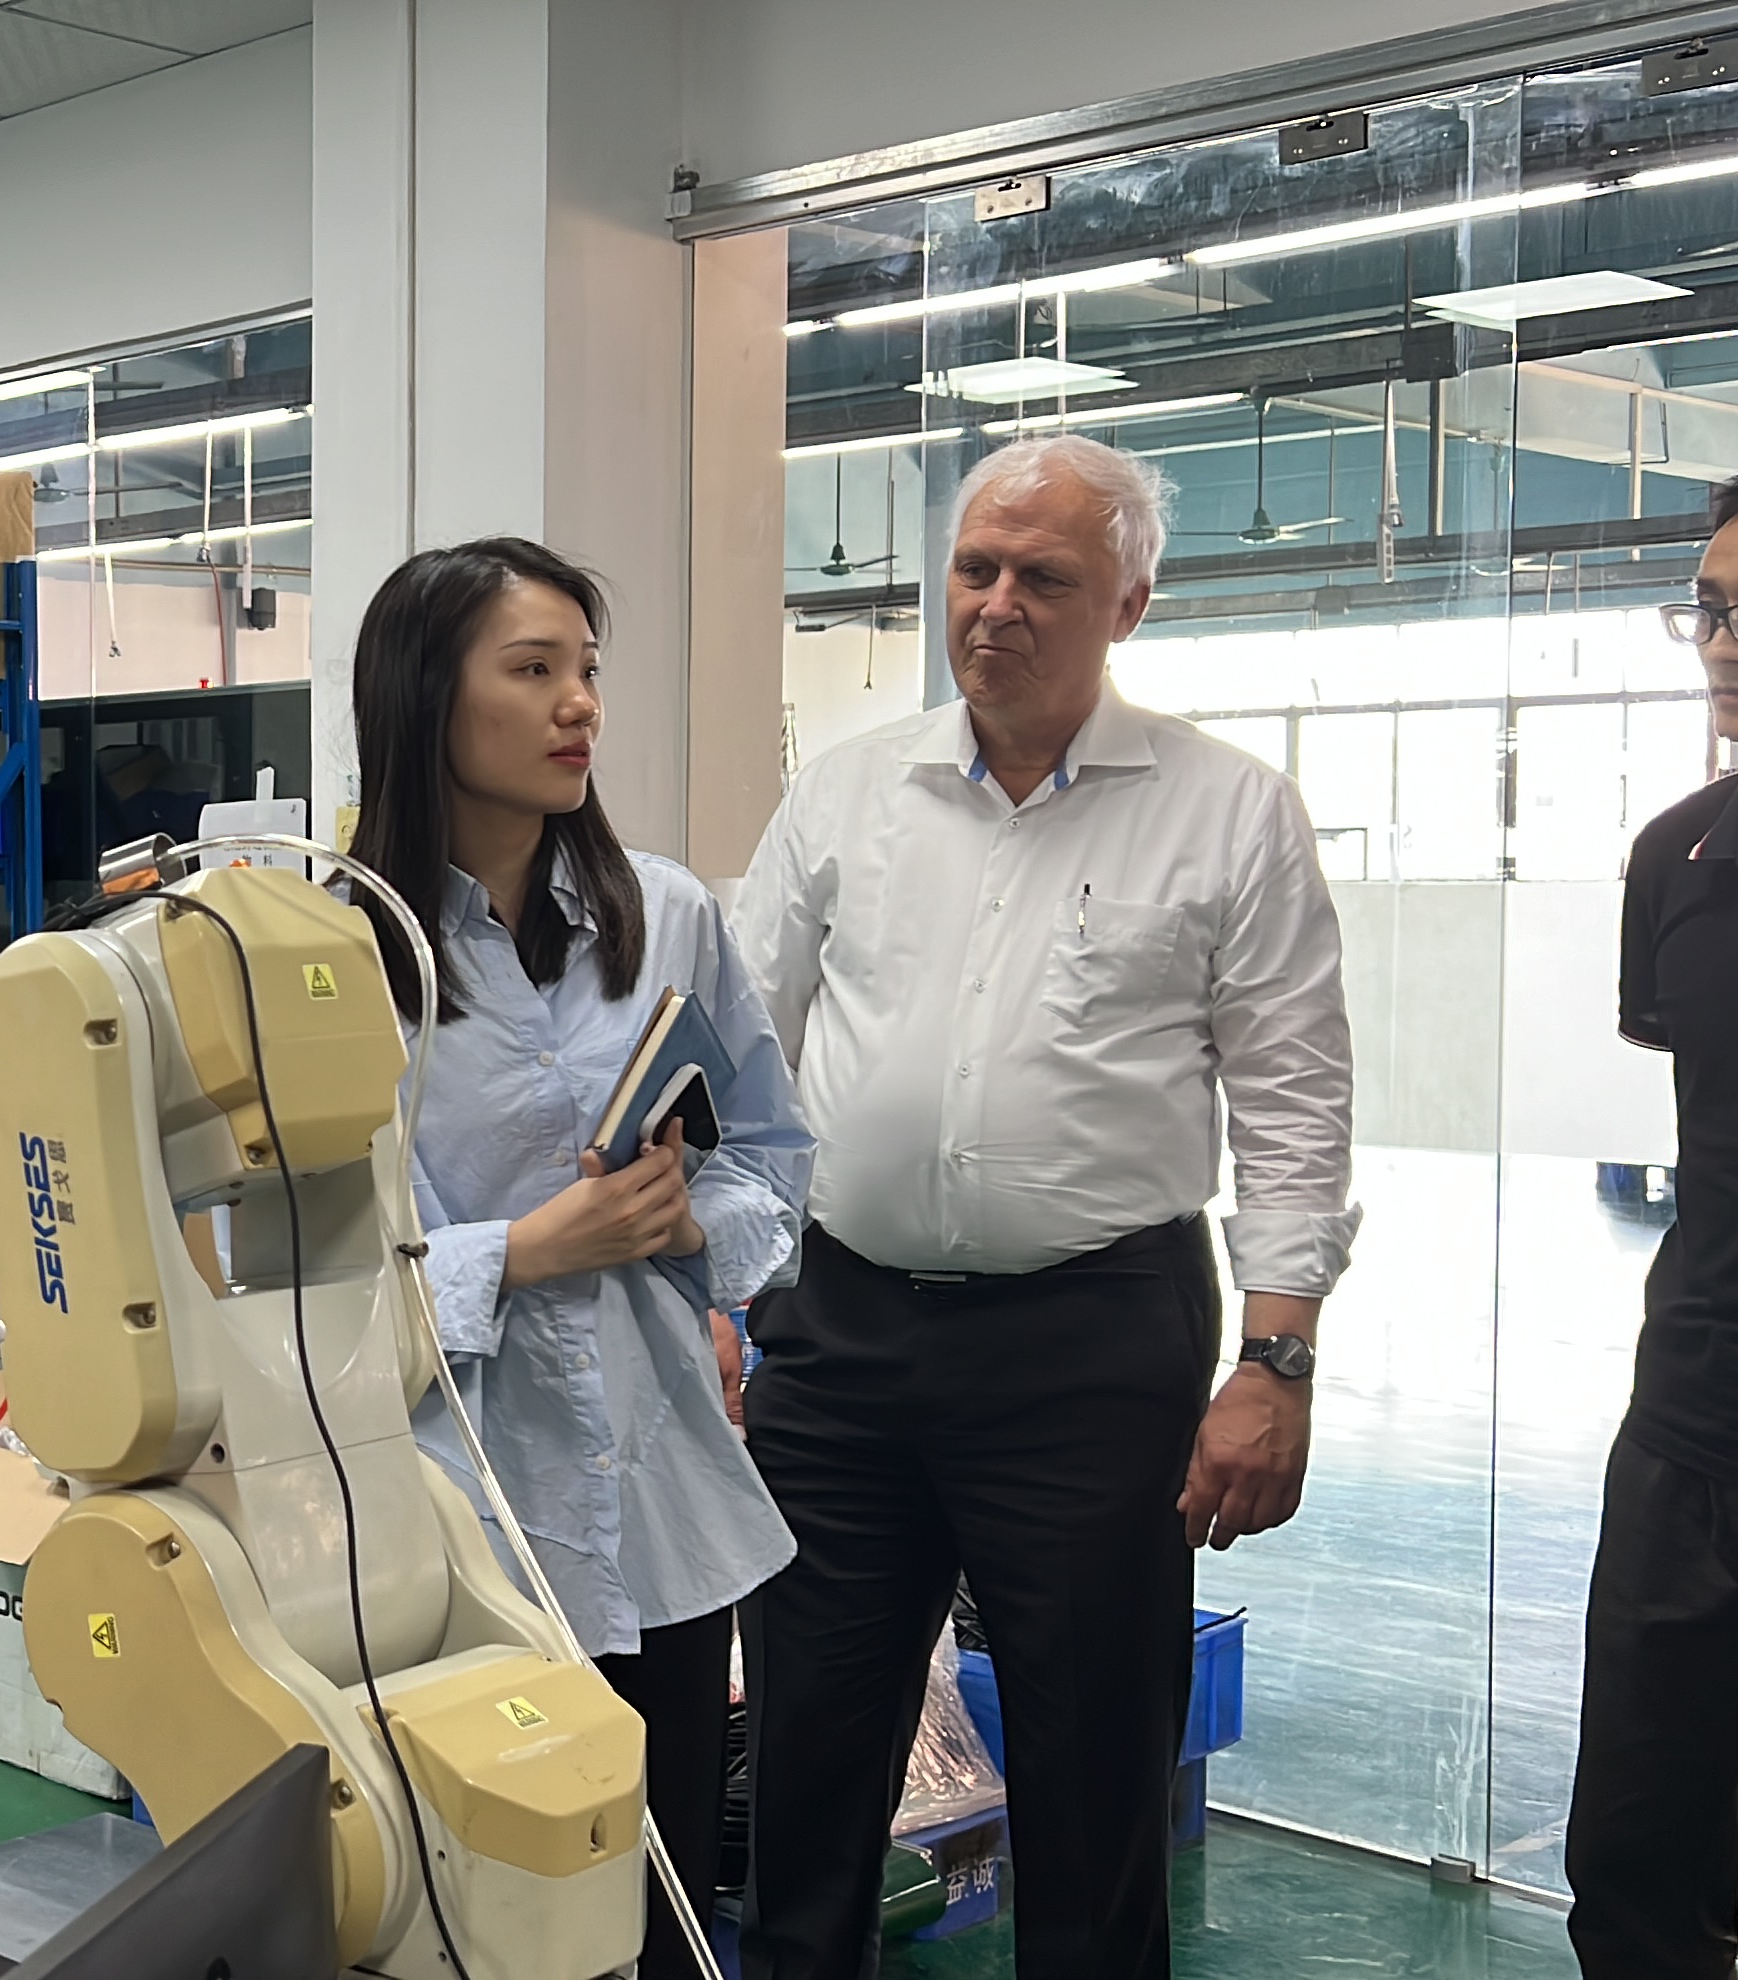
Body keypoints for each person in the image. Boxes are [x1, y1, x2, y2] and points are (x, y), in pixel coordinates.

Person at [732, 434, 1357, 1980]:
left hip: (1094, 1344)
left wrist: (1275, 1362)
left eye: (1046, 579)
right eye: (976, 568)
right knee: (808, 1758)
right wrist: (713, 1297)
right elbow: (739, 1057)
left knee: (1092, 1775)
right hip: (840, 1329)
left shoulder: (1229, 812)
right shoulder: (848, 796)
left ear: (1128, 605)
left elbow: (1294, 1099)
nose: (997, 605)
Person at [348, 538, 809, 1978]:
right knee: (483, 1919)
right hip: (459, 1525)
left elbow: (774, 1160)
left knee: (660, 1911)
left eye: (588, 671)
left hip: (662, 1500)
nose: (579, 706)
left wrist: (693, 1224)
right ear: (427, 697)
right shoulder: (333, 956)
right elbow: (289, 1285)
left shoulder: (666, 917)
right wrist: (517, 1254)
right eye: (533, 669)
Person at [1565, 456, 1738, 1977]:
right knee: (1638, 1872)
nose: (1725, 640)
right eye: (1708, 608)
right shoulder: (1678, 858)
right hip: (1694, 1436)